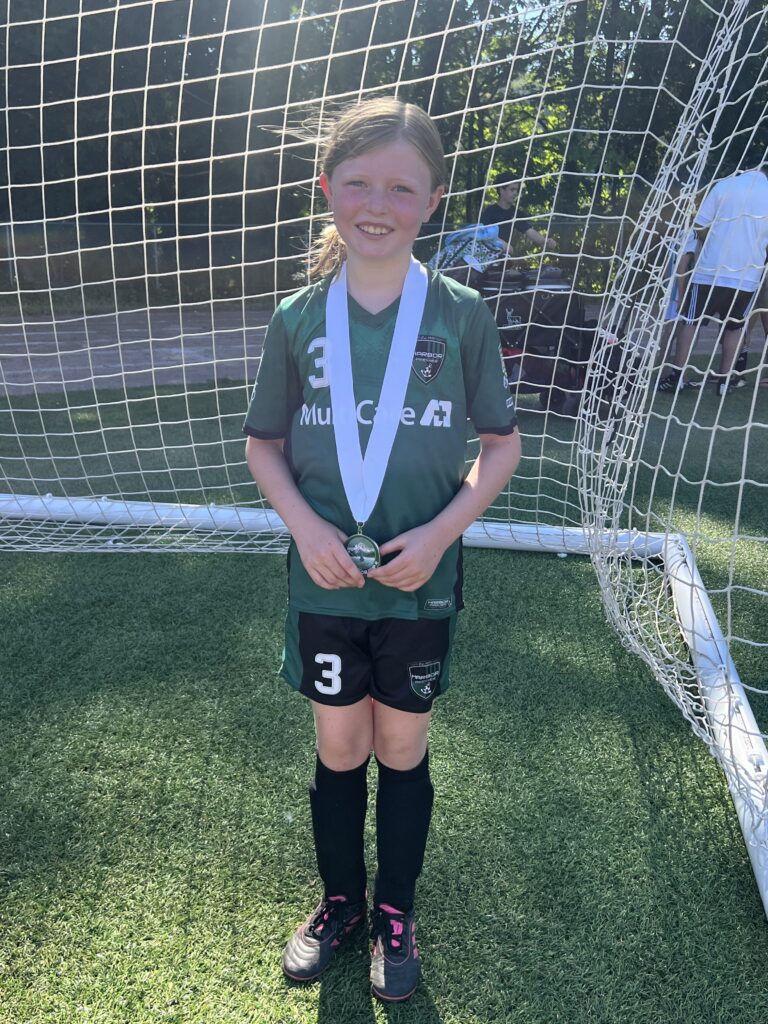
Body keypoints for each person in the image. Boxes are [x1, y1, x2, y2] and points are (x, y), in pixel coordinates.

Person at [242, 98, 520, 1003]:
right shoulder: (297, 318)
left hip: (418, 585)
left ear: (433, 201)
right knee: (339, 746)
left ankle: (396, 911)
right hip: (325, 583)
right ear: (327, 189)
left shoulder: (462, 313)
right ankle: (341, 903)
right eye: (359, 183)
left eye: (401, 188)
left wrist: (441, 533)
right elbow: (264, 446)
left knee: (401, 746)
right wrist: (307, 526)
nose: (377, 204)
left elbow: (501, 445)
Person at [656, 151, 768, 397]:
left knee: (691, 321)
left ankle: (677, 376)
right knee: (734, 327)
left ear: (749, 167)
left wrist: (719, 238)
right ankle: (724, 381)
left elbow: (699, 226)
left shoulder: (724, 185)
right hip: (747, 275)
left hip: (710, 270)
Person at [480, 179, 557, 253]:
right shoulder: (490, 211)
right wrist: (501, 244)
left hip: (504, 255)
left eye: (517, 190)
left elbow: (529, 231)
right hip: (487, 253)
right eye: (512, 189)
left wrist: (545, 241)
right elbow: (482, 234)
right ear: (501, 190)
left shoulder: (515, 213)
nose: (515, 193)